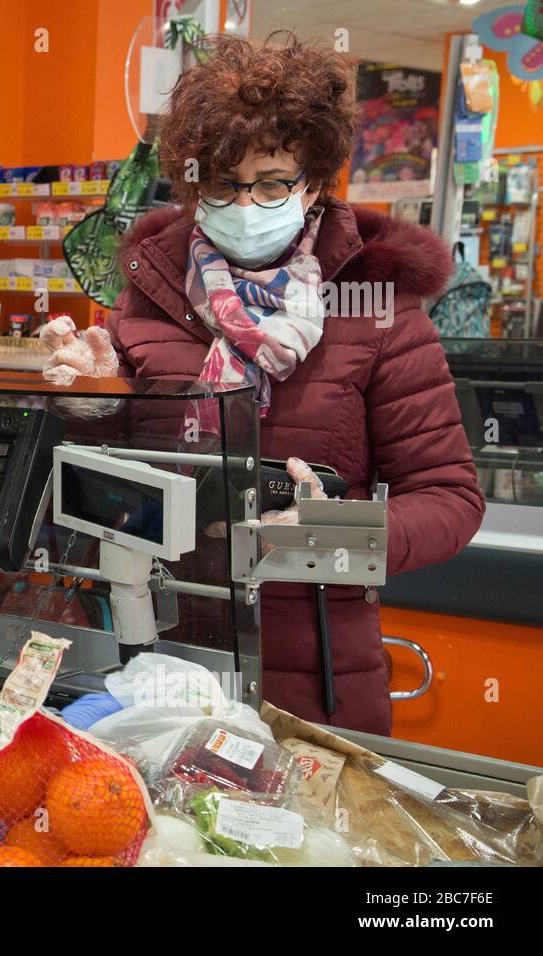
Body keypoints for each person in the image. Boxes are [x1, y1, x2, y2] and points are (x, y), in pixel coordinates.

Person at [48, 36, 484, 735]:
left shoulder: (375, 309)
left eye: (273, 182)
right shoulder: (152, 293)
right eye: (222, 185)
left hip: (316, 680)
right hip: (166, 660)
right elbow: (110, 478)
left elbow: (451, 499)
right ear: (193, 187)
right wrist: (93, 399)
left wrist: (333, 533)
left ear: (311, 179)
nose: (247, 206)